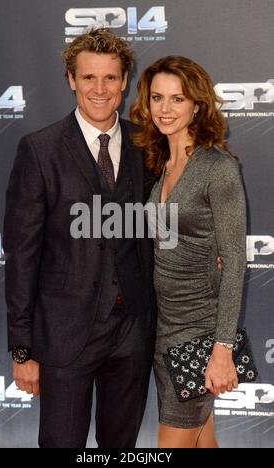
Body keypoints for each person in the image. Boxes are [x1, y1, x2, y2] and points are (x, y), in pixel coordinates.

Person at [3, 28, 157, 448]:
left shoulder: (149, 145)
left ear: (125, 80)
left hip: (132, 331)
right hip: (63, 333)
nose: (100, 89)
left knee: (120, 448)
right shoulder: (40, 150)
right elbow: (21, 255)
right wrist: (22, 348)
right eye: (89, 78)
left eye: (110, 77)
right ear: (71, 79)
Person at [130, 56, 247, 448]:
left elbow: (233, 263)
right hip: (165, 328)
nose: (165, 109)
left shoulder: (218, 168)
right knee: (201, 442)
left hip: (200, 331)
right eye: (157, 98)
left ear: (196, 105)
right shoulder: (162, 162)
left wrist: (222, 349)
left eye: (177, 99)